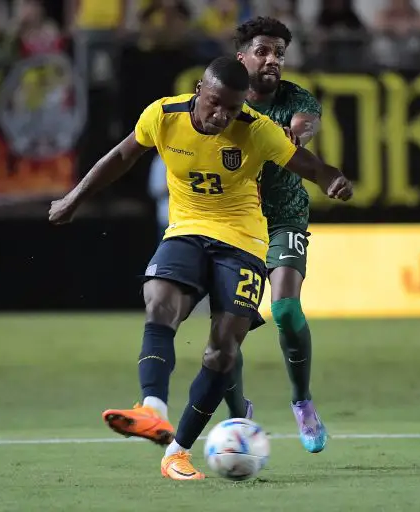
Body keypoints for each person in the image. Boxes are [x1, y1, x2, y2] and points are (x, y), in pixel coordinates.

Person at [48, 56, 353, 480]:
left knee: (223, 350)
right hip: (187, 230)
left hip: (242, 242)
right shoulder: (163, 115)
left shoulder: (256, 130)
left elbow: (312, 166)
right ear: (198, 91)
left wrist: (332, 180)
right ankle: (152, 409)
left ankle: (177, 451)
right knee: (159, 301)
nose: (222, 116)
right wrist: (73, 199)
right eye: (215, 104)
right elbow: (120, 157)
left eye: (232, 108)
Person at [218, 16, 331, 454]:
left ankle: (302, 401)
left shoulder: (294, 99)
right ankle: (238, 412)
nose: (272, 60)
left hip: (283, 216)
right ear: (240, 56)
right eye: (263, 51)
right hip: (231, 222)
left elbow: (304, 124)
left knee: (285, 309)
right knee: (227, 332)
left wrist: (292, 134)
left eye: (279, 54)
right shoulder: (220, 98)